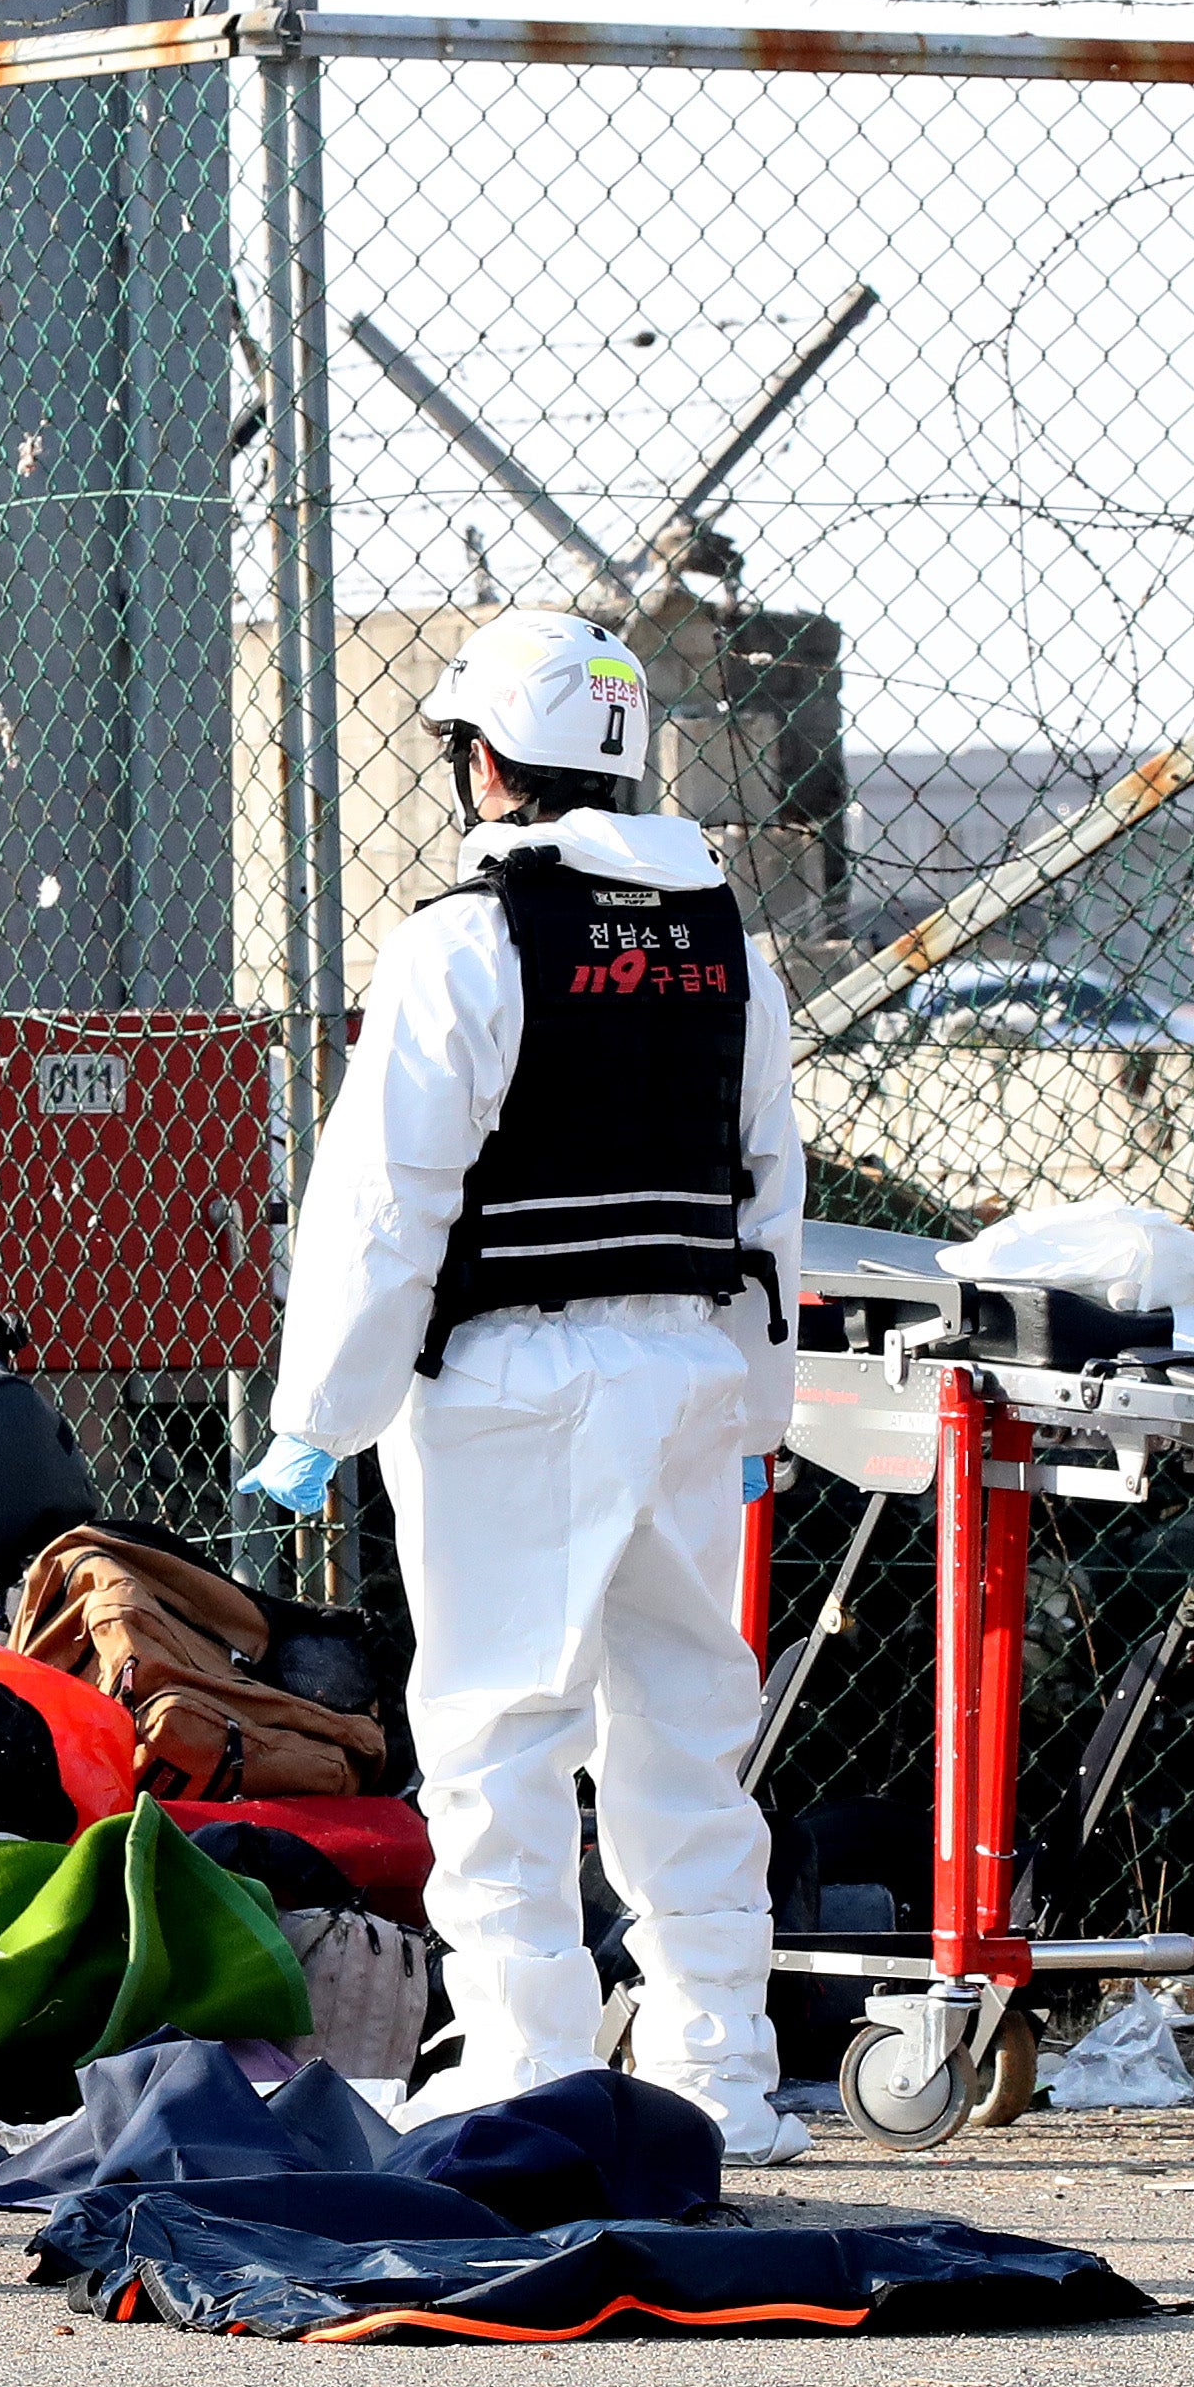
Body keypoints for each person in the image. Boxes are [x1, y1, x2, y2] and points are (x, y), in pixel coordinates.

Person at [244, 606, 806, 2162]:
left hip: (515, 1378)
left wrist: (317, 1419)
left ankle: (528, 2064)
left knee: (500, 1731)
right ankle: (722, 2080)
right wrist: (759, 1409)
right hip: (689, 1365)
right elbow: (767, 1198)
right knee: (684, 1730)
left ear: (482, 757)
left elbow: (384, 1202)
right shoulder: (722, 940)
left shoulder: (466, 940)